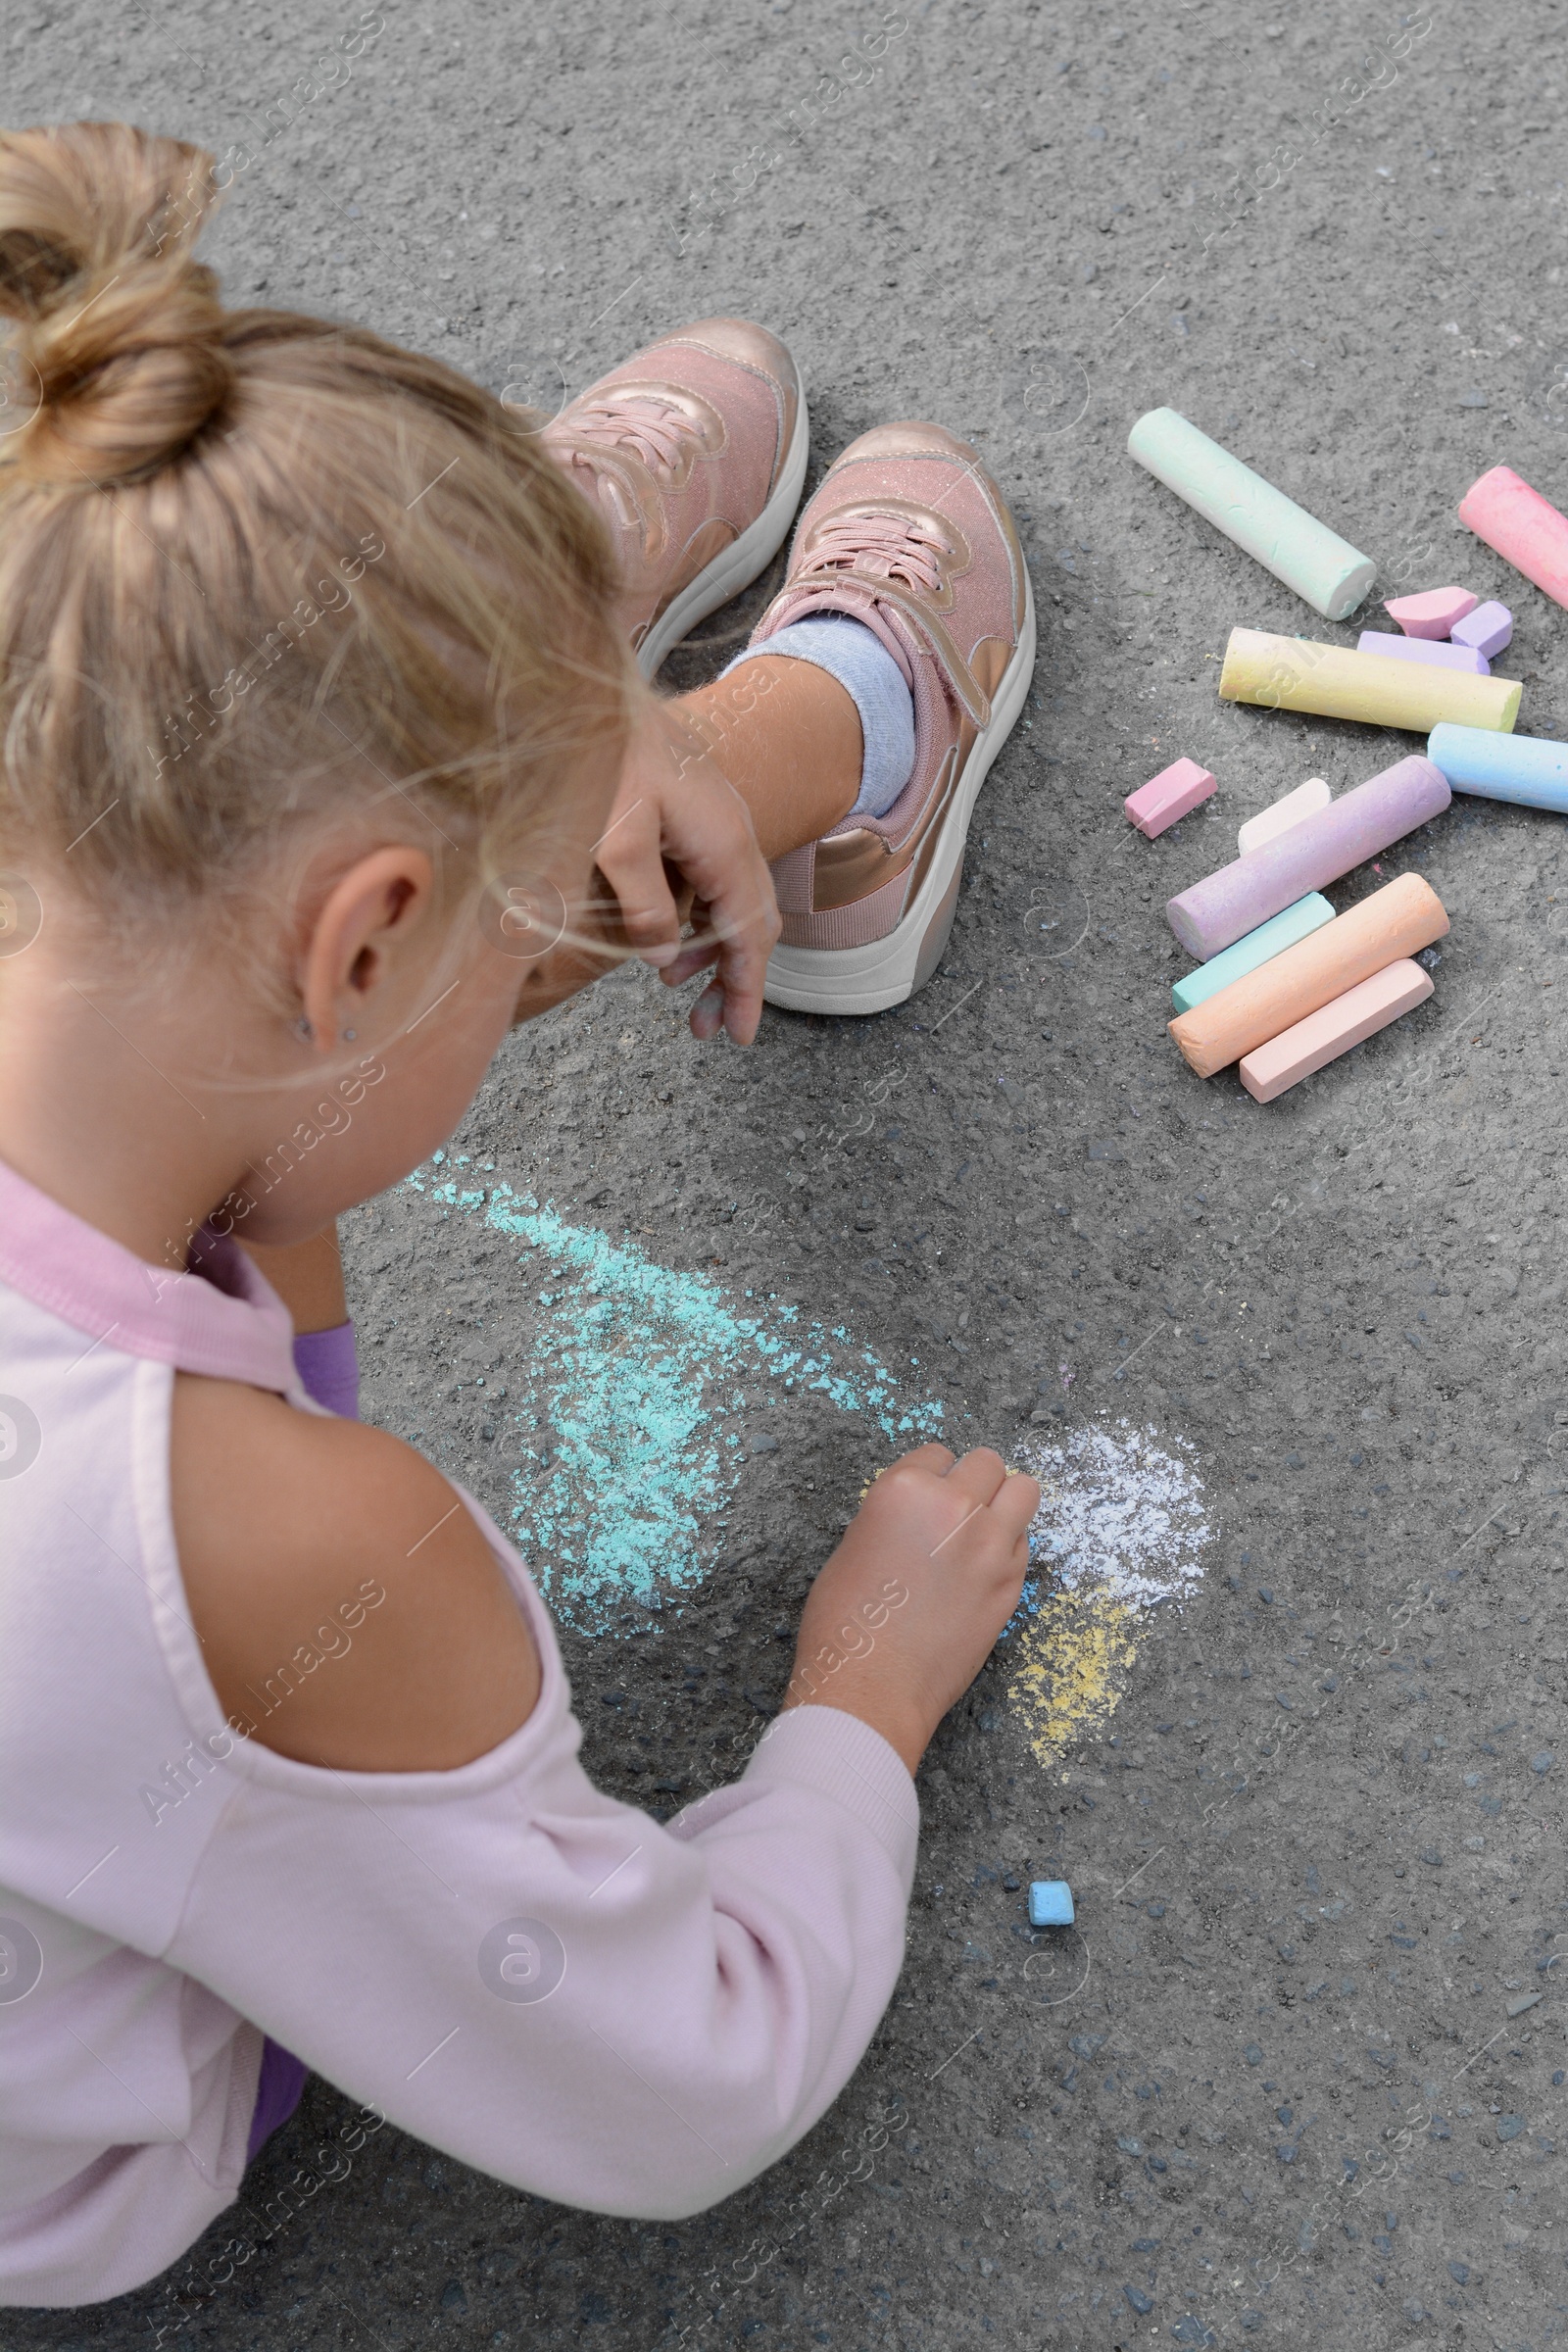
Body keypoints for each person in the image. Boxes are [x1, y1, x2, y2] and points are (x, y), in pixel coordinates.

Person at [0, 120, 1040, 2308]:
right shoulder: (302, 1557)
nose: (521, 997)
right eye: (514, 949)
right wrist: (853, 1706)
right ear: (363, 939)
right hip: (72, 2147)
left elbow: (263, 1144)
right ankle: (774, 751)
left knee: (250, 1095)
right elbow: (683, 2079)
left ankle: (459, 686)